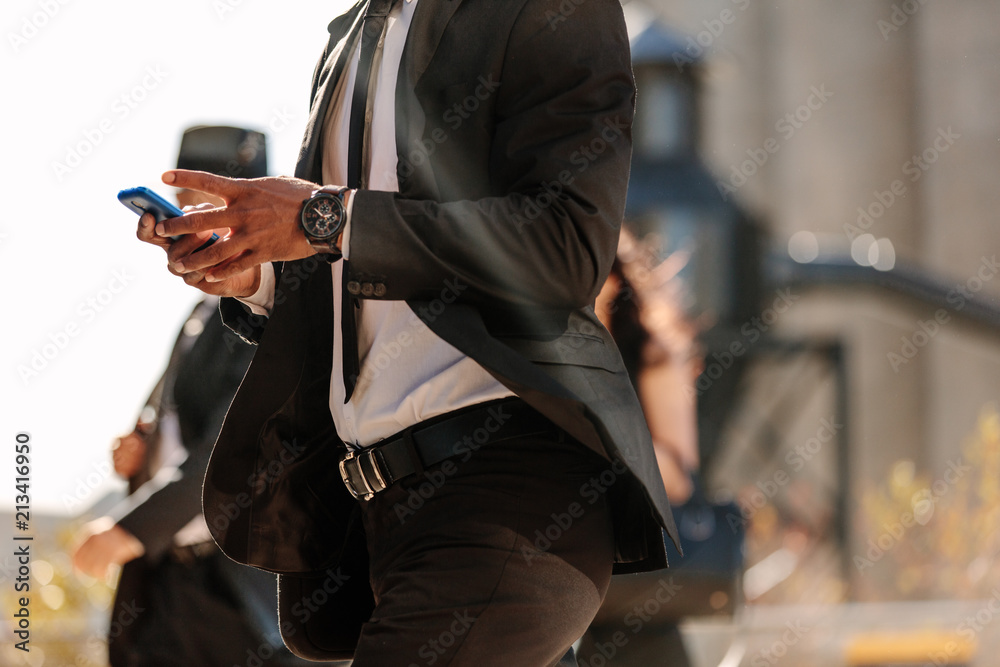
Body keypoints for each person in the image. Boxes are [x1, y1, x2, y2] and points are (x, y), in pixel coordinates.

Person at [136, 1, 682, 664]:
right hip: (378, 515)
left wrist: (321, 219)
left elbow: (562, 248)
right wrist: (255, 277)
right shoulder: (349, 38)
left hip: (507, 492)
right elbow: (365, 269)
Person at [75, 127, 329, 666]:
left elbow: (239, 443)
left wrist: (129, 530)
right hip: (170, 583)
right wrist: (142, 450)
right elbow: (177, 417)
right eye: (181, 206)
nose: (186, 223)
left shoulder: (268, 306)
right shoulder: (201, 312)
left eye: (199, 206)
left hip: (233, 592)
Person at [581, 228, 703, 666]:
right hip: (554, 575)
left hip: (633, 594)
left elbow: (678, 480)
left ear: (613, 278)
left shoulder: (653, 353)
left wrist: (605, 423)